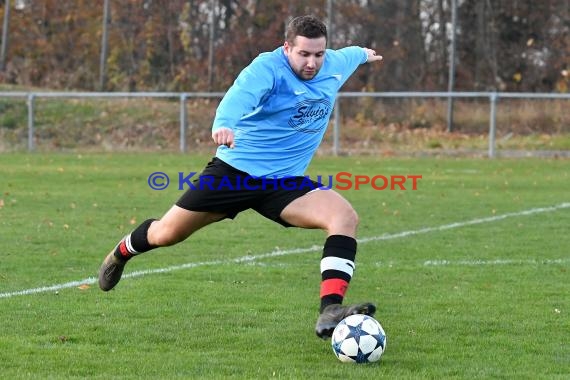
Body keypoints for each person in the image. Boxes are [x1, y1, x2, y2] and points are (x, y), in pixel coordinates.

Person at [98, 15, 384, 339]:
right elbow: (239, 97)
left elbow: (352, 54)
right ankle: (120, 254)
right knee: (167, 234)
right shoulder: (266, 68)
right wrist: (224, 123)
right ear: (287, 46)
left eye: (318, 54)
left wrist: (364, 53)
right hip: (236, 174)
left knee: (344, 216)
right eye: (304, 54)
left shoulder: (335, 63)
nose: (312, 63)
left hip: (285, 183)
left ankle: (330, 309)